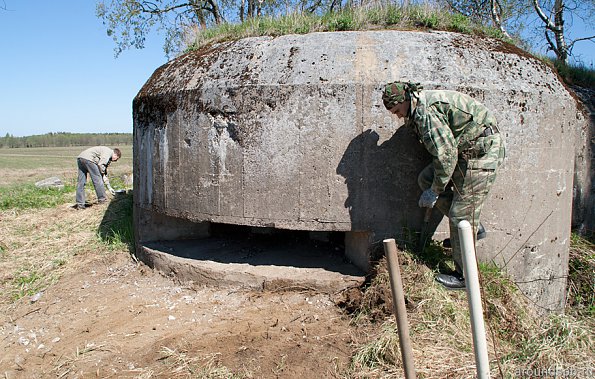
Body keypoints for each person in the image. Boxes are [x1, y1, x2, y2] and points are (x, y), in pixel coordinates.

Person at [382, 82, 505, 290]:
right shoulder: (417, 109)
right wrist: (431, 186)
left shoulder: (426, 114)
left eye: (397, 110)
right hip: (466, 150)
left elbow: (446, 155)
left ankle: (465, 278)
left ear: (405, 100)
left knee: (460, 214)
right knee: (425, 180)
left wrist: (436, 191)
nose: (398, 116)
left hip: (481, 153)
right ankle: (474, 228)